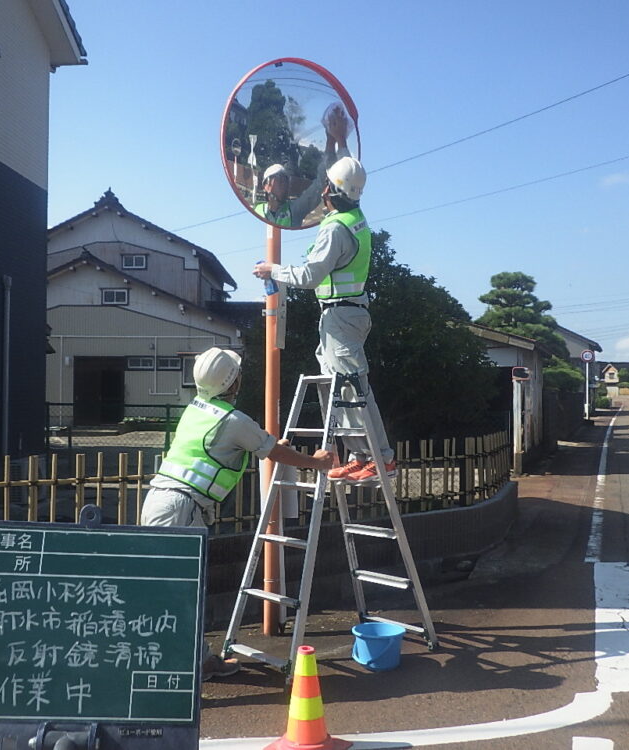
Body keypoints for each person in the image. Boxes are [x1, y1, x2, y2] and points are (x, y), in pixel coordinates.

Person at [140, 347, 335, 680]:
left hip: (160, 502)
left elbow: (254, 446)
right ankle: (182, 668)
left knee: (168, 590)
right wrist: (317, 463)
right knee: (182, 593)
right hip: (181, 508)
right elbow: (270, 450)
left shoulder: (196, 409)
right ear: (234, 382)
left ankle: (190, 661)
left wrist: (270, 445)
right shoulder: (232, 420)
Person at [252, 156, 395, 483]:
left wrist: (272, 270)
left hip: (340, 316)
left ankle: (380, 459)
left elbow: (310, 276)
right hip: (347, 314)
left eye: (326, 183)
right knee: (343, 389)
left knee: (355, 389)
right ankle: (361, 456)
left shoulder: (335, 227)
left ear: (332, 189)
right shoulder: (354, 217)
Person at [254, 105, 351, 228]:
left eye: (286, 180)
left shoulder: (294, 210)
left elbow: (320, 184)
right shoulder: (256, 211)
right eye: (279, 180)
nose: (285, 185)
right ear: (266, 186)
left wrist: (330, 142)